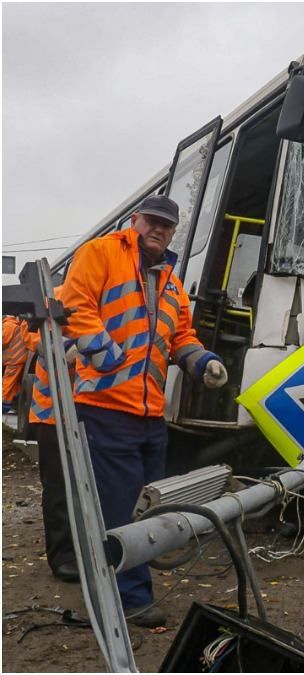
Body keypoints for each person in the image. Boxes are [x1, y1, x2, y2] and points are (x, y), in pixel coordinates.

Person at [60, 195, 228, 628]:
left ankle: (126, 584)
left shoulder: (172, 281)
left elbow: (180, 337)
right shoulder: (101, 253)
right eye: (153, 221)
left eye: (168, 226)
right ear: (135, 221)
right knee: (119, 509)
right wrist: (105, 355)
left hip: (150, 413)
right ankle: (128, 598)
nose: (160, 229)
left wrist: (202, 362)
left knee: (147, 508)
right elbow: (76, 305)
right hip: (105, 406)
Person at [26, 287, 82, 583]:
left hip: (93, 410)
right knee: (60, 487)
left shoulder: (106, 293)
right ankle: (63, 555)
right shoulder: (56, 293)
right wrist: (66, 345)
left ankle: (88, 550)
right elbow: (32, 335)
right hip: (54, 413)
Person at [2, 314, 31, 409]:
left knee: (8, 380)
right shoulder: (13, 324)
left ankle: (3, 402)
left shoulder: (8, 325)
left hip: (14, 358)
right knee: (15, 382)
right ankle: (16, 397)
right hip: (17, 357)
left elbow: (3, 340)